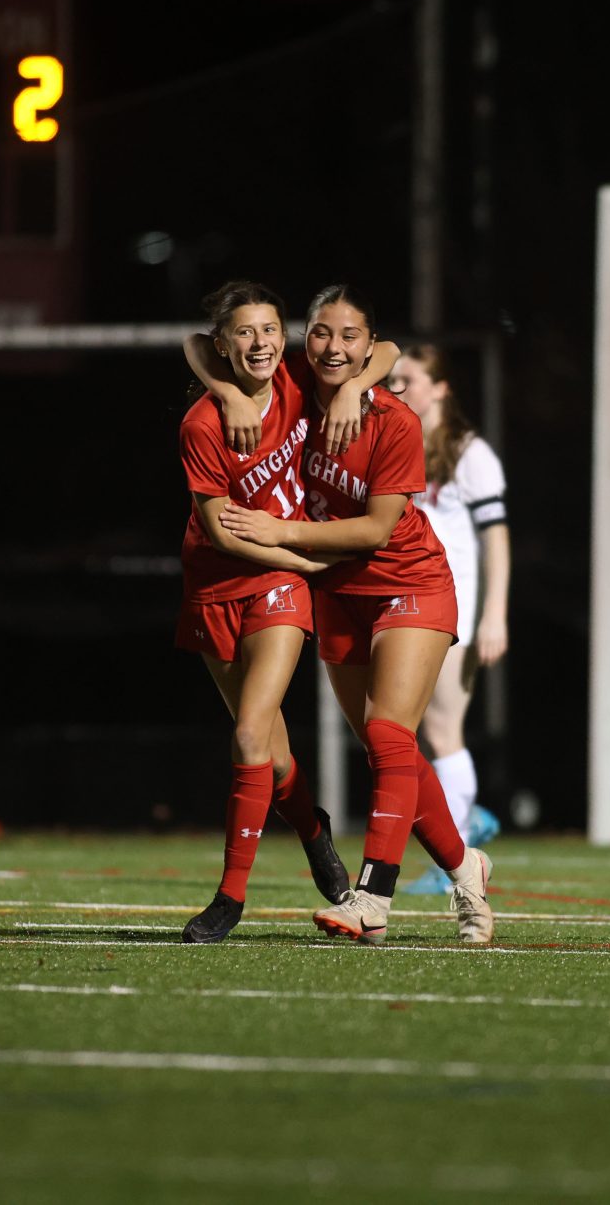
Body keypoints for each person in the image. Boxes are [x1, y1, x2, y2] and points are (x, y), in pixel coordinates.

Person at [220, 286, 494, 945]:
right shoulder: (288, 392)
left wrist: (281, 531)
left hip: (411, 580)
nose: (334, 346)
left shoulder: (395, 420)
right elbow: (199, 346)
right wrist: (229, 392)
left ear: (370, 346)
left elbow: (376, 530)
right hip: (339, 591)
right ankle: (466, 868)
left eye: (351, 336)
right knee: (385, 746)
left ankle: (372, 897)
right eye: (321, 332)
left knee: (388, 732)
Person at [174, 279, 393, 943]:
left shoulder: (299, 379)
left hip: (279, 580)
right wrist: (226, 393)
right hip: (217, 583)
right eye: (244, 332)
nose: (260, 342)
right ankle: (313, 829)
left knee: (248, 736)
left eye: (270, 329)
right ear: (223, 345)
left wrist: (354, 389)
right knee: (270, 755)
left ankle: (229, 898)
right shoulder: (203, 423)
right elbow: (220, 533)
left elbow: (386, 350)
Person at [385, 344, 510, 895]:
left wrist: (494, 615)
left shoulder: (469, 452)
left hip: (455, 608)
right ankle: (465, 821)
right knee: (399, 729)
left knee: (441, 729)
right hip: (409, 605)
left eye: (408, 378)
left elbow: (496, 539)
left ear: (440, 388)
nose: (397, 387)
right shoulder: (397, 445)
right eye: (392, 378)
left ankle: (454, 855)